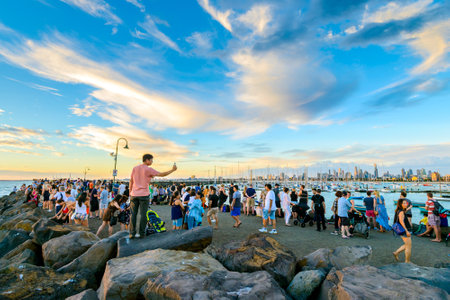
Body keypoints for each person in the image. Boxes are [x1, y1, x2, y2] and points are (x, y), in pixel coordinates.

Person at [129, 154, 177, 239]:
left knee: (133, 214)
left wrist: (130, 192)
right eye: (151, 160)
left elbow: (131, 181)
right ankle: (141, 233)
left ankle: (132, 233)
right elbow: (162, 174)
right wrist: (172, 170)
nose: (152, 162)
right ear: (147, 160)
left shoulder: (135, 168)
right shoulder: (148, 169)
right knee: (143, 214)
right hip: (144, 195)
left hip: (134, 194)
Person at [393, 198, 412, 263]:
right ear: (400, 204)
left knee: (407, 245)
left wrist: (409, 207)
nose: (405, 204)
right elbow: (401, 221)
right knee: (408, 246)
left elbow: (404, 212)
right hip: (404, 230)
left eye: (405, 203)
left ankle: (396, 253)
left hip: (401, 230)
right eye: (404, 203)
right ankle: (407, 261)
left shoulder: (399, 210)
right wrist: (406, 231)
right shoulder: (401, 212)